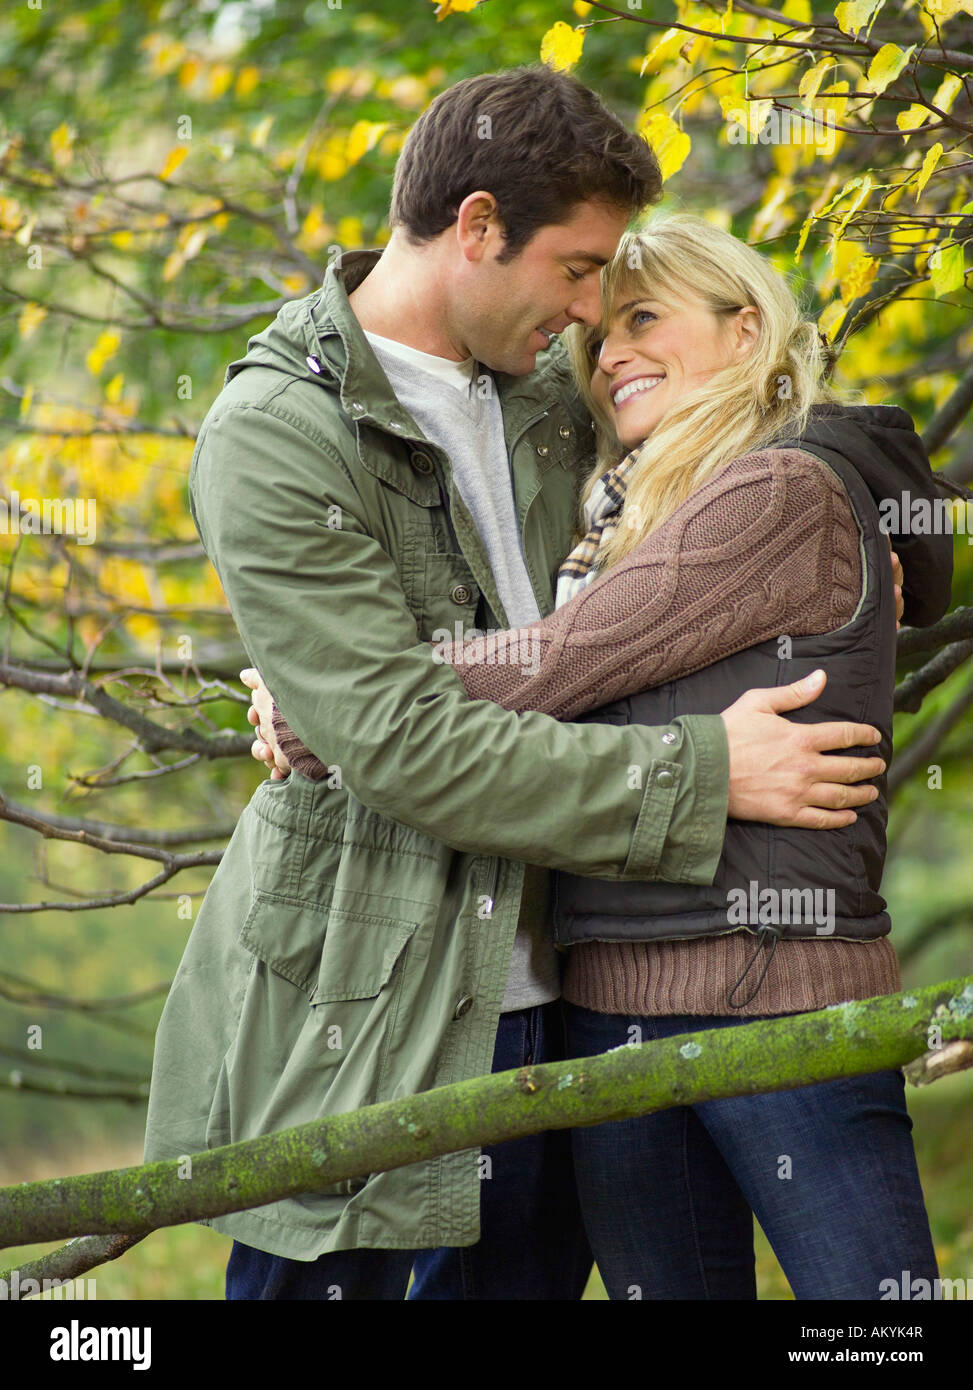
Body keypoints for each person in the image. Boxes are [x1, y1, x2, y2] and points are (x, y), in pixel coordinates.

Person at [144, 66, 895, 1302]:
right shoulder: (277, 430)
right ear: (478, 226)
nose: (599, 315)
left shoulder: (555, 396)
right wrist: (703, 773)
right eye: (580, 269)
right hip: (370, 1009)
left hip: (566, 983)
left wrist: (872, 540)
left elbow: (739, 464)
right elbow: (408, 740)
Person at [265, 213, 951, 1300]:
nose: (609, 353)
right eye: (595, 341)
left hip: (781, 1001)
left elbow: (559, 659)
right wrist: (303, 676)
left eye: (641, 318)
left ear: (743, 331)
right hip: (613, 1016)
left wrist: (338, 706)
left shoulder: (778, 490)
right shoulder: (621, 517)